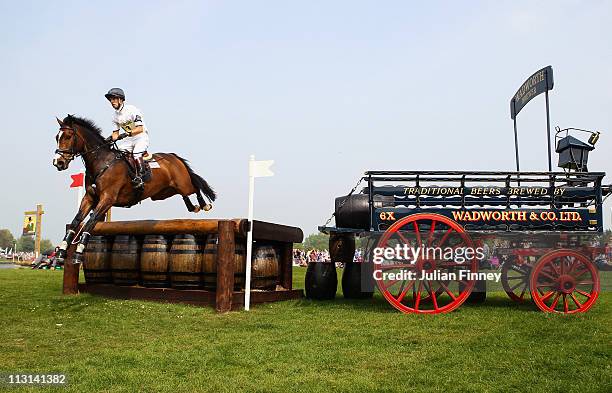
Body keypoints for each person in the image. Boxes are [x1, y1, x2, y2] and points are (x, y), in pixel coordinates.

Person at [105, 88, 150, 189]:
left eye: (114, 99)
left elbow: (139, 128)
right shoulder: (114, 116)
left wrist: (126, 134)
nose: (112, 102)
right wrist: (108, 139)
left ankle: (141, 178)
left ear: (121, 99)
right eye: (111, 100)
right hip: (129, 140)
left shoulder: (132, 110)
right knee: (118, 154)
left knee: (136, 153)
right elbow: (115, 134)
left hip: (141, 137)